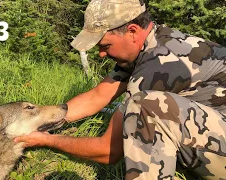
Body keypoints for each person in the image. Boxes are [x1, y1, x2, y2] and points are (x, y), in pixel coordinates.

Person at [14, 0, 226, 179]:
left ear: (132, 31)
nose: (101, 55)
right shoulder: (149, 46)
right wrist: (45, 120)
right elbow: (98, 95)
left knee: (144, 107)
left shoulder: (161, 63)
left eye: (105, 46)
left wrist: (46, 139)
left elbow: (108, 150)